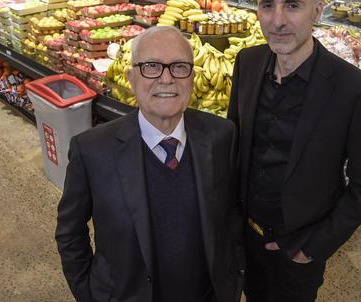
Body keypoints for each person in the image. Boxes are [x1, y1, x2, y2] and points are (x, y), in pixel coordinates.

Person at [227, 0, 361, 301]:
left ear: (317, 12)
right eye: (267, 5)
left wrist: (313, 248)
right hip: (245, 239)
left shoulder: (354, 90)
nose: (278, 20)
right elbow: (235, 144)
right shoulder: (248, 63)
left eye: (292, 5)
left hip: (298, 251)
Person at [56, 26, 244, 302]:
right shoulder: (92, 150)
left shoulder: (221, 135)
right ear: (131, 78)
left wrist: (234, 276)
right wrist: (90, 294)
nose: (166, 79)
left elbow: (231, 215)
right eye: (151, 67)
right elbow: (70, 233)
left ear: (192, 77)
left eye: (179, 67)